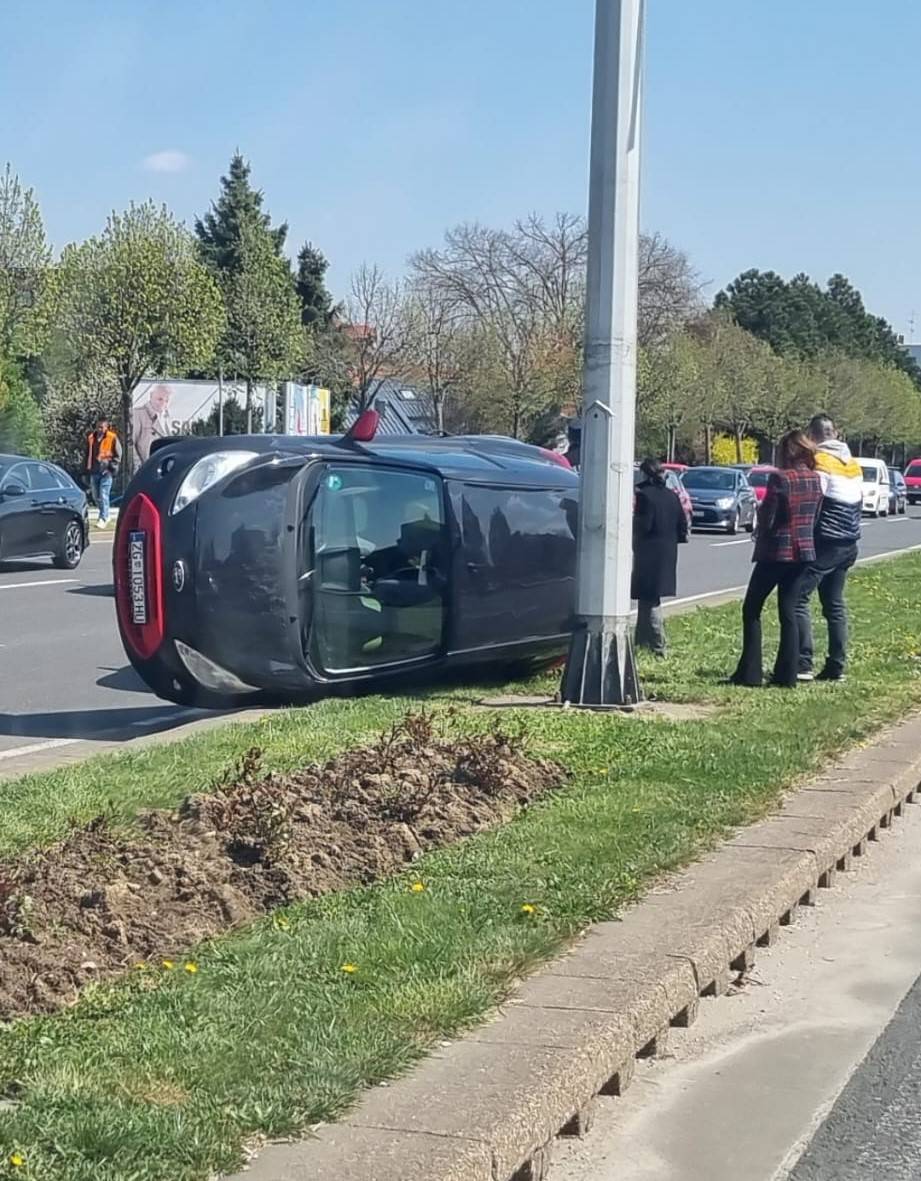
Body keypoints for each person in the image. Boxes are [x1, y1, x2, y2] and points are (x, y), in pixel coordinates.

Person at [731, 431, 823, 687]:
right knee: (789, 611)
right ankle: (787, 674)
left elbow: (768, 518)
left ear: (788, 452)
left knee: (752, 608)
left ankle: (749, 672)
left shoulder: (780, 479)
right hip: (804, 552)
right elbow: (815, 516)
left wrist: (760, 524)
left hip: (777, 552)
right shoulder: (815, 479)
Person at [796, 414, 862, 682]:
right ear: (835, 433)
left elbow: (814, 500)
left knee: (797, 597)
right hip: (850, 542)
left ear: (811, 434)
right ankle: (836, 665)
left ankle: (803, 663)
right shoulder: (853, 463)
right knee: (834, 604)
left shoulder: (819, 461)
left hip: (827, 541)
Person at [632, 457, 689, 657]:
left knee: (650, 599)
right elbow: (683, 525)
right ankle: (640, 641)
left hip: (649, 552)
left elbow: (643, 525)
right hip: (667, 551)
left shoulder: (645, 496)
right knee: (647, 598)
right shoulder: (672, 496)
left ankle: (658, 645)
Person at [85, 417, 122, 527]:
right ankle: (106, 514)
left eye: (102, 427)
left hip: (106, 472)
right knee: (96, 496)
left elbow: (118, 455)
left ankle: (103, 518)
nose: (100, 429)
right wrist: (85, 470)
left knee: (104, 494)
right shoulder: (91, 438)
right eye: (98, 427)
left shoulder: (112, 438)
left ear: (106, 427)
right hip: (94, 471)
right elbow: (87, 454)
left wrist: (111, 468)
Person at [133, 383, 172, 467]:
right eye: (160, 399)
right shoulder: (138, 414)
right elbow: (131, 444)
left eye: (166, 400)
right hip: (146, 467)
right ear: (151, 396)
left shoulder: (167, 417)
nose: (163, 403)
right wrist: (138, 467)